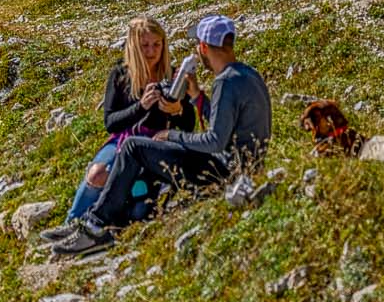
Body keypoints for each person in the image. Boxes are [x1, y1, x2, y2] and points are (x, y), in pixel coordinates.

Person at [51, 14, 271, 255]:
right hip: (244, 166)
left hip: (225, 171)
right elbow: (223, 126)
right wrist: (197, 96)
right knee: (129, 155)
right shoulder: (247, 74)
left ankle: (95, 226)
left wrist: (171, 135)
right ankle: (90, 222)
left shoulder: (225, 83)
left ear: (204, 47)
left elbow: (214, 140)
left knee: (134, 147)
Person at [49, 16, 199, 230]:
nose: (151, 51)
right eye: (145, 45)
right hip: (123, 138)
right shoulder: (121, 74)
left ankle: (102, 224)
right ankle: (72, 224)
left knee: (135, 195)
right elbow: (111, 123)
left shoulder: (172, 75)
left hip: (155, 141)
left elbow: (188, 125)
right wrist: (141, 106)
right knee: (97, 173)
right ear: (134, 46)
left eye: (157, 45)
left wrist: (178, 110)